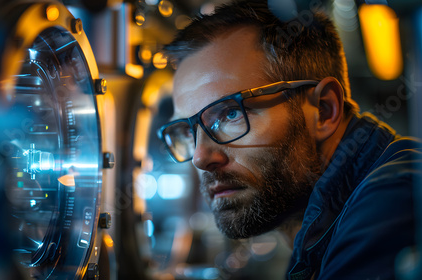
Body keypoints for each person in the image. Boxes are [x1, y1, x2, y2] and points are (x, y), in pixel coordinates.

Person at [157, 0, 422, 279]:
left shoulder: (393, 202)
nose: (200, 157)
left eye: (230, 114)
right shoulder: (325, 228)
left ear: (323, 111)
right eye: (188, 131)